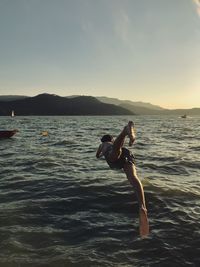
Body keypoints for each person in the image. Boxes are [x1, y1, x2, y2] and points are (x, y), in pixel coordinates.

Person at [96, 121, 149, 238]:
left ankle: (125, 131)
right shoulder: (113, 143)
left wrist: (100, 155)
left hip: (115, 156)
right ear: (112, 139)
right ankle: (142, 205)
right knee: (133, 178)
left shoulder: (103, 145)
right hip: (126, 154)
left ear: (103, 140)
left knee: (115, 153)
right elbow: (117, 147)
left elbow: (97, 155)